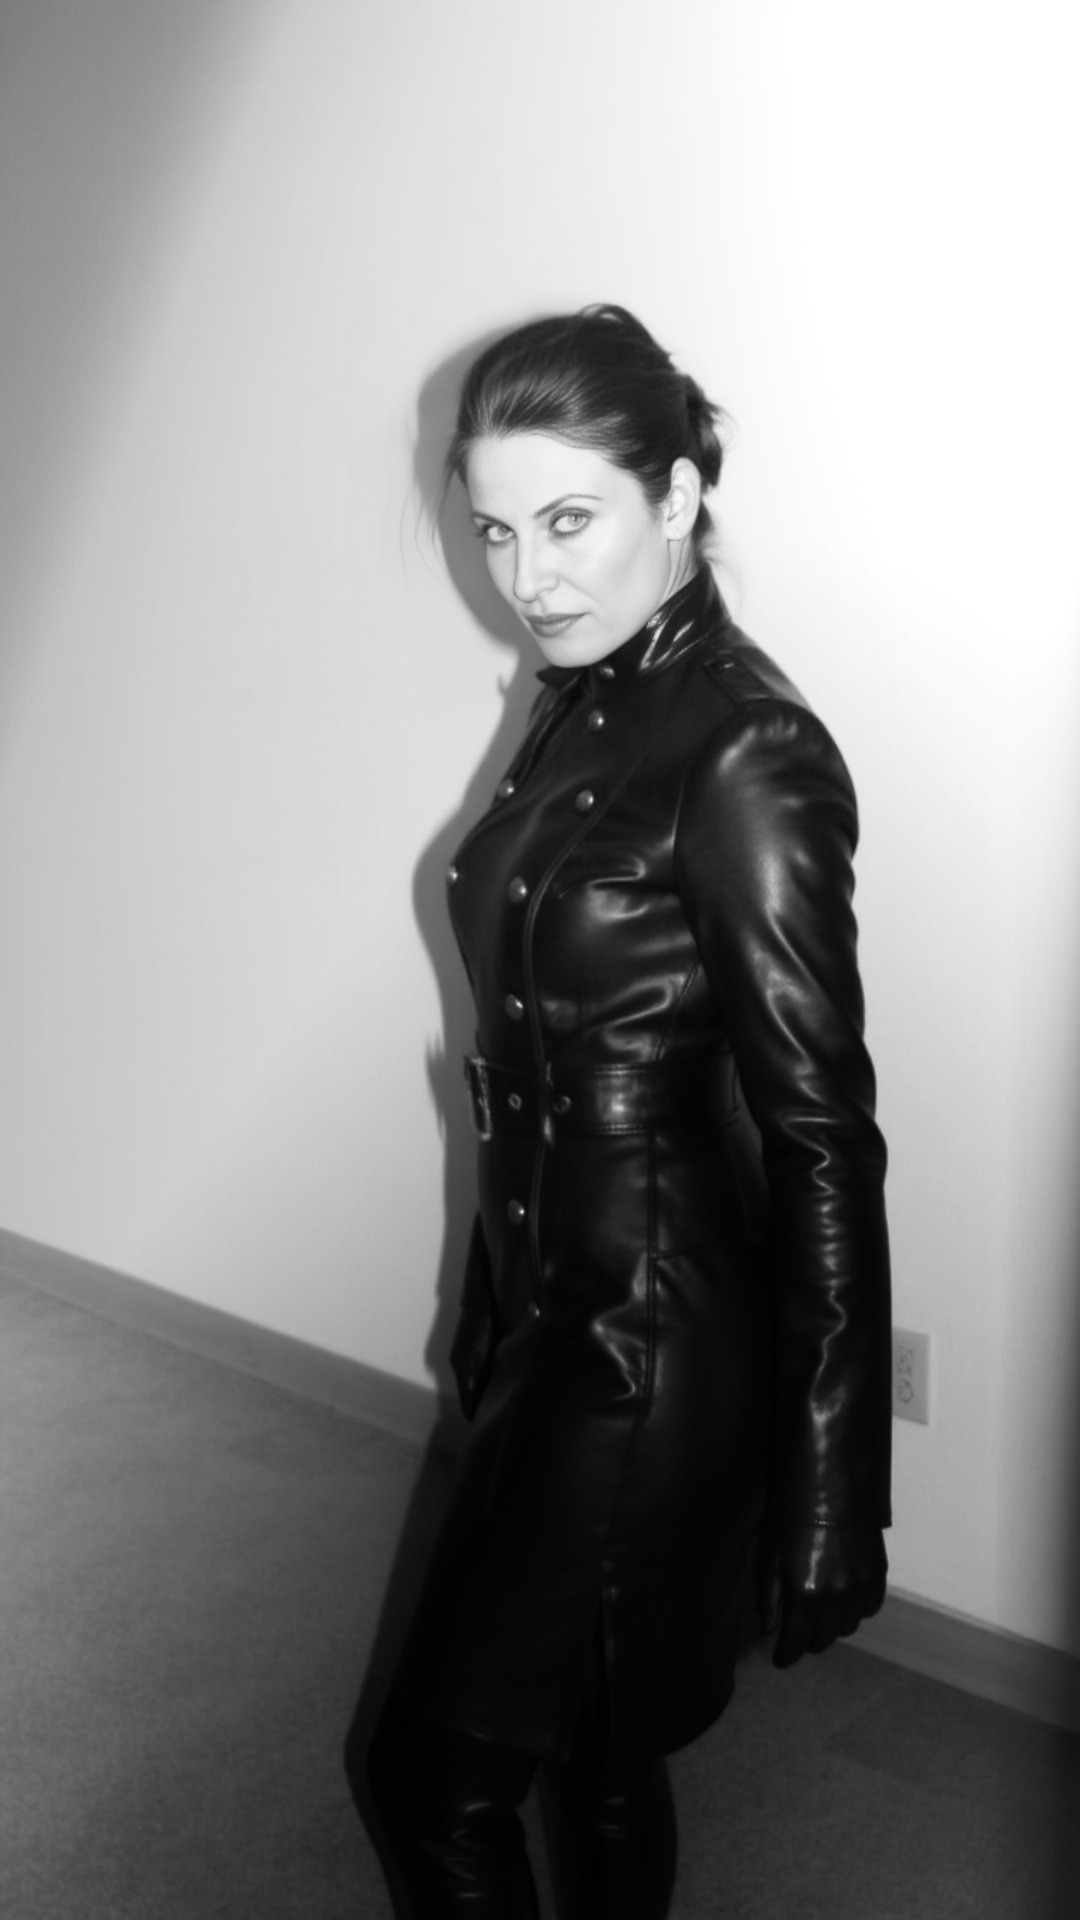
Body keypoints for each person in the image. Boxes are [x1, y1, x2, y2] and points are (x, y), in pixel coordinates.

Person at [357, 305, 892, 1918]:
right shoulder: (585, 688)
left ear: (678, 495)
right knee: (594, 1747)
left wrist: (834, 1482)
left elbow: (821, 1136)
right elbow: (533, 1046)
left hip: (648, 1353)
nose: (528, 577)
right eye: (496, 530)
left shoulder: (746, 746)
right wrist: (489, 1296)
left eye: (569, 520)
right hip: (559, 1310)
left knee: (427, 1783)